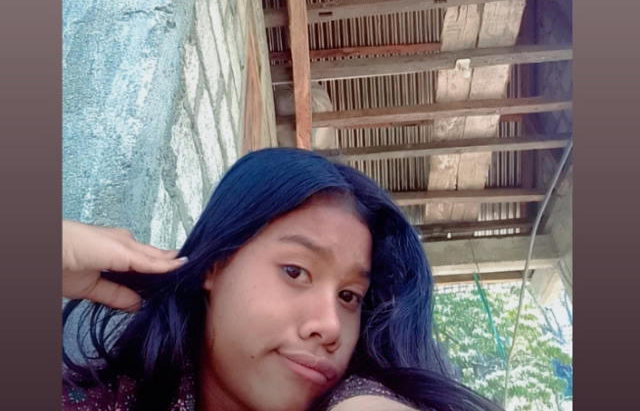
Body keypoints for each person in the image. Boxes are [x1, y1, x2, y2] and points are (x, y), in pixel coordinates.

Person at [63, 147, 503, 411]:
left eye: (350, 296)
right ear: (216, 264)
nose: (330, 326)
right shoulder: (105, 401)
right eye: (296, 271)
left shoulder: (361, 395)